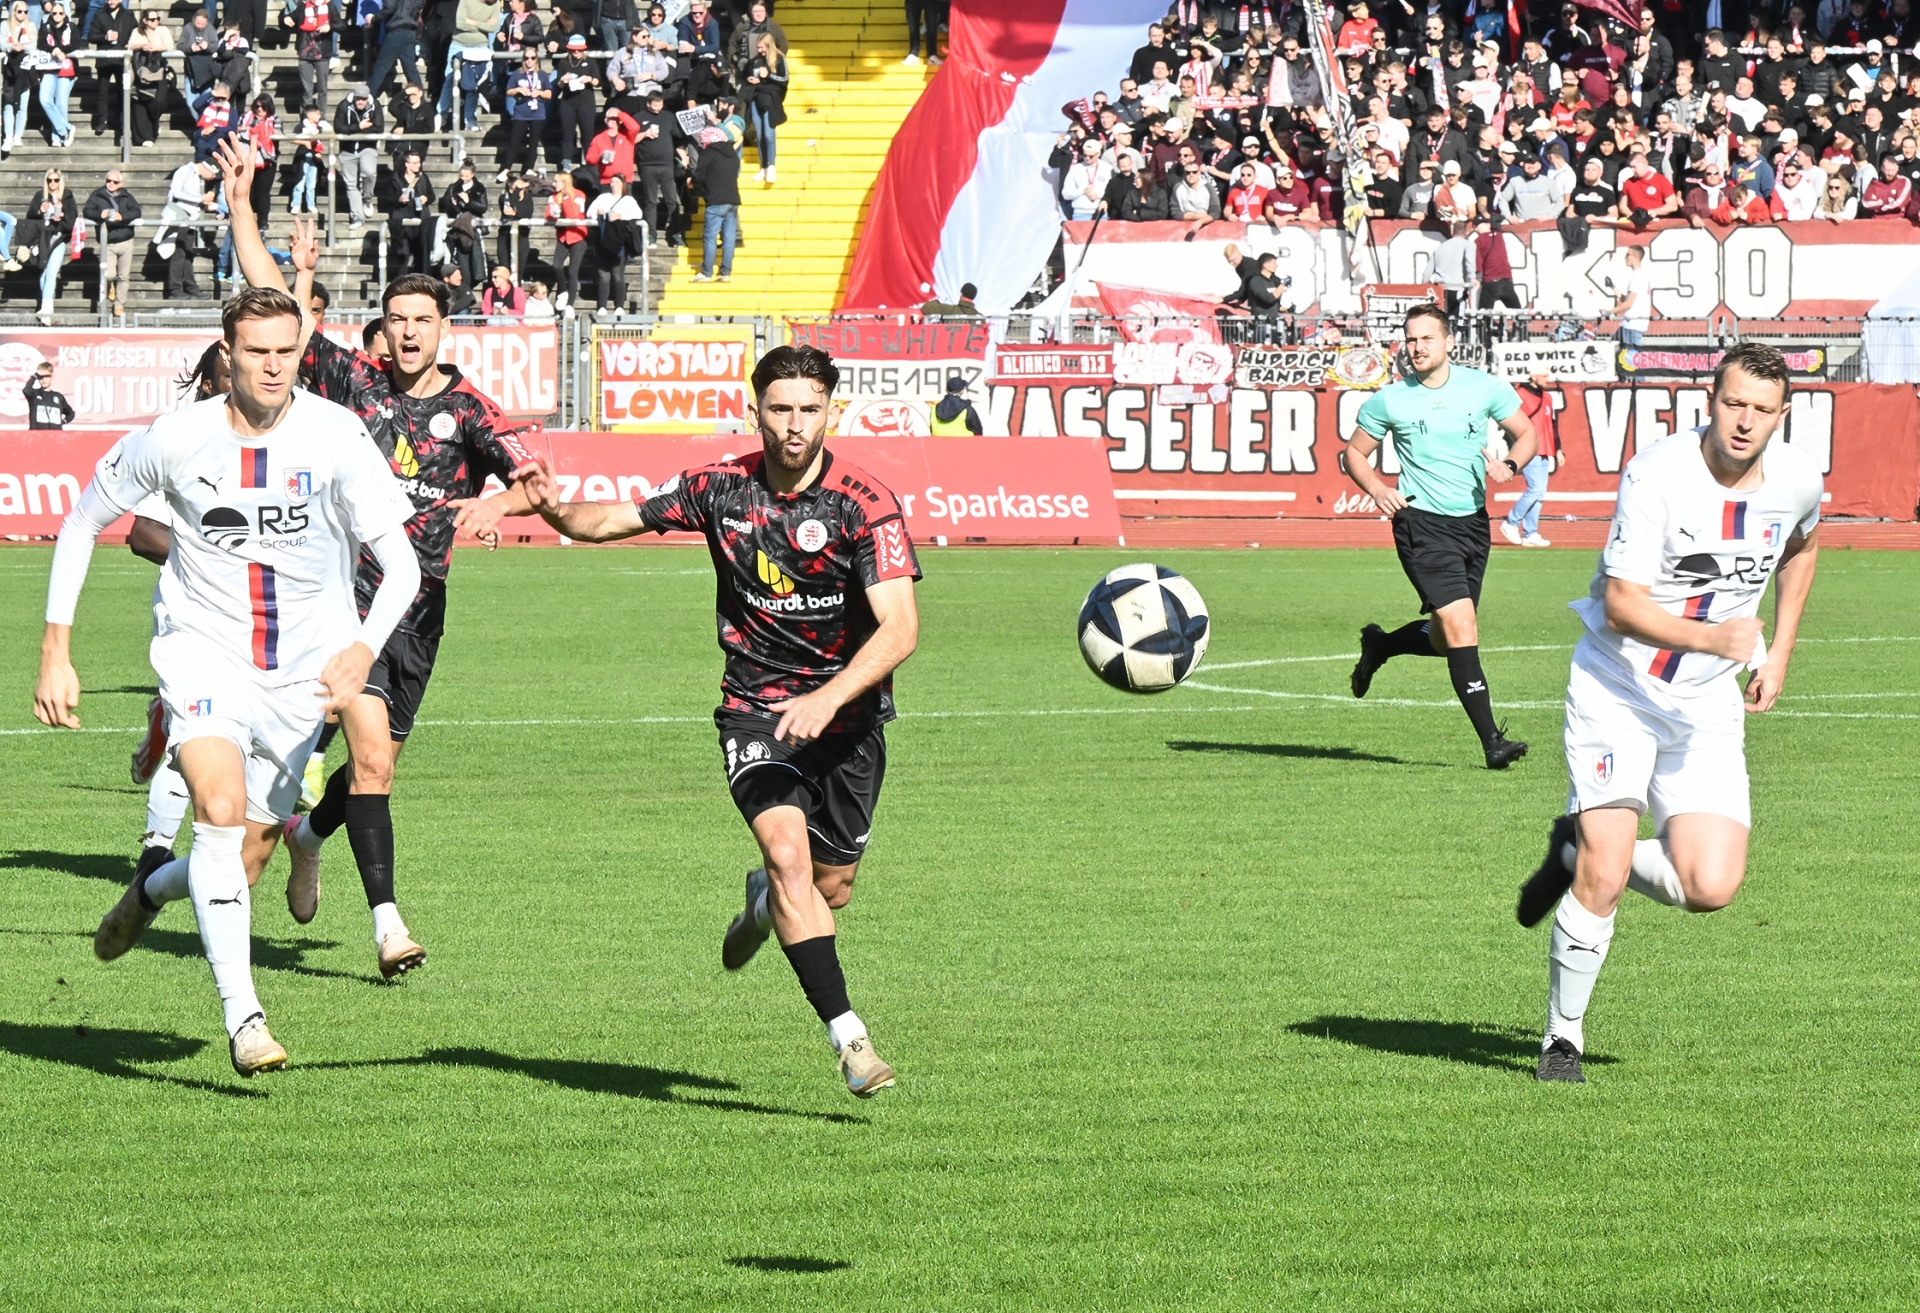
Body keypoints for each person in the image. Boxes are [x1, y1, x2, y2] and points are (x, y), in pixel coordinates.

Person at [458, 344, 921, 1099]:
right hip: (755, 710)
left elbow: (900, 629)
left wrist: (828, 698)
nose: (794, 424)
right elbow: (607, 521)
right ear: (755, 409)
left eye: (809, 409)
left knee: (830, 888)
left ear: (831, 412)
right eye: (780, 408)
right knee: (790, 858)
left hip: (848, 722)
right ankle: (851, 1041)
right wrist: (552, 508)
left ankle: (766, 902)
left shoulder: (864, 504)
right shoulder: (719, 486)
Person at [43, 286, 420, 1075]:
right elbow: (82, 521)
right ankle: (245, 1018)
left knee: (246, 858)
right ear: (228, 352)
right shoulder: (177, 438)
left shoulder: (337, 434)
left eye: (286, 350)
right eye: (257, 351)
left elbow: (403, 567)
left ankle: (151, 890)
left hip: (304, 675)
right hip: (205, 652)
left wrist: (362, 649)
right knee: (216, 810)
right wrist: (56, 650)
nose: (273, 366)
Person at [224, 145, 535, 980]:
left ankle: (307, 835)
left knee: (377, 766)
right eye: (396, 318)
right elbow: (275, 309)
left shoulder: (471, 410)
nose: (407, 331)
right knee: (367, 755)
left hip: (418, 612)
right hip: (339, 602)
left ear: (443, 328)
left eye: (421, 320)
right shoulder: (353, 381)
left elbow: (535, 481)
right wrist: (246, 213)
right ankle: (389, 926)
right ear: (383, 325)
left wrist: (497, 504)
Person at [1514, 342, 1821, 1084]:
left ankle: (1573, 850)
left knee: (1710, 886)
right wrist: (1713, 638)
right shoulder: (1657, 474)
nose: (1744, 421)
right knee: (1608, 872)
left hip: (1707, 705)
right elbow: (1622, 605)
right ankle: (1562, 1039)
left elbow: (1804, 547)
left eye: (1761, 409)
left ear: (1783, 414)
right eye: (1733, 403)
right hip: (1618, 689)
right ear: (1709, 401)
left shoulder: (1798, 480)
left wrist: (1779, 651)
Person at [1344, 303, 1539, 770]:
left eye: (1427, 338)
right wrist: (1377, 488)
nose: (1418, 347)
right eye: (1411, 339)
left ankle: (1381, 645)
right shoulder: (1391, 399)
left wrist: (1510, 465)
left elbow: (1527, 434)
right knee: (1462, 627)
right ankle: (1493, 743)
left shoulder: (1484, 386)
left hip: (1472, 524)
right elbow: (1353, 453)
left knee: (1444, 639)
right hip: (1421, 525)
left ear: (1449, 341)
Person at [1500, 372, 1558, 547]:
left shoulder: (1547, 397)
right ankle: (1511, 522)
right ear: (1533, 376)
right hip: (1530, 449)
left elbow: (1552, 424)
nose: (1548, 379)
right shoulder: (1521, 395)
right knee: (1535, 488)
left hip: (1545, 449)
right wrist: (1516, 450)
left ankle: (1530, 533)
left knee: (1539, 493)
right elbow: (1512, 424)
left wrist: (1558, 448)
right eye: (1544, 375)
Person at [82, 167, 139, 317]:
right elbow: (87, 211)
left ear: (121, 184)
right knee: (108, 275)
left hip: (126, 240)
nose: (111, 184)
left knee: (124, 276)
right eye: (109, 181)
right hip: (108, 241)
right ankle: (110, 286)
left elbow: (136, 211)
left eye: (115, 182)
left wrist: (123, 216)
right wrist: (100, 214)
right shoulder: (97, 195)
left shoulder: (127, 196)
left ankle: (119, 305)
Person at [159, 156, 217, 300]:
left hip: (189, 218)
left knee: (187, 253)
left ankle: (191, 287)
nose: (213, 177)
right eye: (213, 174)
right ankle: (175, 289)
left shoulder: (196, 175)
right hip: (179, 216)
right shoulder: (185, 170)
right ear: (208, 168)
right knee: (179, 254)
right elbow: (177, 193)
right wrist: (201, 198)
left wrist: (201, 203)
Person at [23, 165, 74, 323]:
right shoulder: (40, 196)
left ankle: (46, 308)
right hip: (42, 239)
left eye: (56, 180)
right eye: (49, 180)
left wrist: (62, 216)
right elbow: (30, 216)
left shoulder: (67, 196)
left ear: (60, 181)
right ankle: (47, 309)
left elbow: (72, 218)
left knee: (52, 272)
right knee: (44, 273)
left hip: (58, 238)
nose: (52, 183)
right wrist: (39, 211)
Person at [586, 171, 641, 315]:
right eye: (612, 182)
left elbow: (638, 214)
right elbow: (589, 213)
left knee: (617, 276)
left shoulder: (628, 200)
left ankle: (620, 306)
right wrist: (599, 213)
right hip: (602, 240)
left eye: (617, 182)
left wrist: (621, 216)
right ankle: (602, 306)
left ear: (623, 184)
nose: (613, 184)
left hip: (618, 242)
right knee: (603, 276)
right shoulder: (602, 197)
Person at [691, 125, 739, 282]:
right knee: (729, 238)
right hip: (733, 200)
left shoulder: (708, 152)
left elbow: (699, 175)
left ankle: (707, 272)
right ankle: (725, 272)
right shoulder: (732, 153)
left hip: (716, 201)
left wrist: (692, 181)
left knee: (710, 237)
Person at [334, 83, 383, 228]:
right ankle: (357, 217)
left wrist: (353, 131)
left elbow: (378, 128)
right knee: (350, 184)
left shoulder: (375, 106)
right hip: (347, 149)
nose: (360, 101)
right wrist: (359, 127)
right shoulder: (343, 105)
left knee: (369, 173)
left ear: (368, 98)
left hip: (367, 147)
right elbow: (338, 127)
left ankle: (367, 199)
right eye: (358, 98)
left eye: (363, 99)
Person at [380, 147, 433, 276]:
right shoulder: (394, 178)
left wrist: (426, 199)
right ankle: (402, 281)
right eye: (415, 163)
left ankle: (422, 281)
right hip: (402, 220)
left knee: (421, 253)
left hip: (420, 218)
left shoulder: (423, 177)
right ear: (407, 164)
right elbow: (387, 198)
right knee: (402, 254)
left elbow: (432, 196)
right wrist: (398, 199)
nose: (419, 165)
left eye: (419, 162)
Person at [499, 47, 550, 181]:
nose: (529, 61)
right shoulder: (517, 74)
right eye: (526, 58)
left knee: (533, 142)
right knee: (514, 142)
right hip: (521, 113)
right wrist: (518, 89)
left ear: (537, 59)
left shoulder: (542, 74)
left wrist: (539, 92)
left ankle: (529, 168)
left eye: (532, 58)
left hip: (538, 113)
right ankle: (506, 169)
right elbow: (508, 91)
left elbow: (549, 94)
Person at [84, 0, 132, 137]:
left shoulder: (128, 15)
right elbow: (91, 36)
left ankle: (122, 120)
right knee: (102, 92)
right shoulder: (99, 15)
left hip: (122, 60)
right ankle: (102, 120)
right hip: (104, 59)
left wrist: (129, 43)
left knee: (122, 91)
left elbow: (135, 32)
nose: (111, 1)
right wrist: (105, 37)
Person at [742, 31, 784, 183]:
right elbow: (746, 75)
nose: (759, 51)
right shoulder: (756, 61)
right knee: (759, 136)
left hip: (770, 100)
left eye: (762, 47)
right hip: (756, 98)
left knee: (768, 135)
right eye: (758, 47)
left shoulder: (779, 59)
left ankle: (771, 166)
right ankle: (763, 166)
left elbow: (784, 79)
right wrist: (750, 79)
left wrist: (768, 76)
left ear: (769, 45)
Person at [35, 0, 75, 148]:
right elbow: (41, 44)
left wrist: (61, 50)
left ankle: (58, 137)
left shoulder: (72, 26)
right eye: (54, 13)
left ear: (65, 14)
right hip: (49, 68)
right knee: (44, 99)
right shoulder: (45, 27)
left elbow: (76, 44)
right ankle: (67, 128)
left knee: (61, 102)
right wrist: (54, 50)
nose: (57, 15)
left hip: (66, 68)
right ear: (51, 14)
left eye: (60, 13)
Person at [365, 0, 422, 100]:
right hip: (410, 31)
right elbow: (420, 6)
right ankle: (421, 102)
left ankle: (366, 99)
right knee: (411, 70)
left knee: (380, 68)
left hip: (396, 30)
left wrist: (373, 18)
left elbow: (388, 9)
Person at [545, 167, 585, 308]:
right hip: (563, 236)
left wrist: (566, 199)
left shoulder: (579, 195)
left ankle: (570, 305)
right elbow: (549, 215)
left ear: (564, 183)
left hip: (578, 236)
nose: (553, 184)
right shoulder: (553, 197)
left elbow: (573, 216)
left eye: (556, 181)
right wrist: (554, 213)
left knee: (573, 271)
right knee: (556, 265)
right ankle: (562, 291)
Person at [1, 2, 35, 154]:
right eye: (20, 11)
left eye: (26, 12)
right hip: (10, 69)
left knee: (22, 104)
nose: (23, 14)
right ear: (13, 12)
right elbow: (1, 43)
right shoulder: (5, 25)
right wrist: (11, 47)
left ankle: (17, 135)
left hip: (25, 69)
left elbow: (33, 45)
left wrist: (22, 47)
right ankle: (8, 136)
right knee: (9, 103)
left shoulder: (31, 26)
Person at [1612, 243, 1652, 346]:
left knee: (1629, 355)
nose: (1625, 257)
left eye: (1627, 254)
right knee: (1612, 348)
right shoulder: (1641, 275)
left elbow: (1628, 304)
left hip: (1632, 326)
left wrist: (1609, 312)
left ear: (1635, 257)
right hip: (1629, 325)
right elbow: (1626, 299)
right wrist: (1612, 286)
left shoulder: (1637, 276)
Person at [24, 359, 73, 426]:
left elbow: (71, 413)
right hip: (37, 432)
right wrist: (35, 377)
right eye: (40, 377)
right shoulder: (34, 394)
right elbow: (26, 390)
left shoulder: (59, 397)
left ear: (52, 376)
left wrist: (63, 422)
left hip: (55, 432)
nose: (43, 379)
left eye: (46, 376)